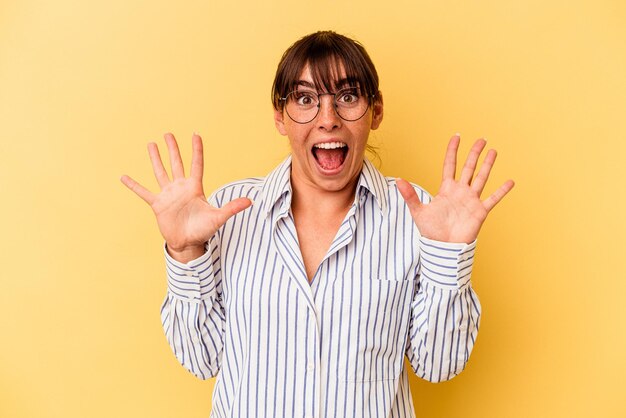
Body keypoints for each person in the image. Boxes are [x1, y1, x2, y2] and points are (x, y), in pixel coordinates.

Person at [121, 30, 514, 418]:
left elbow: (438, 366)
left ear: (376, 110)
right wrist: (185, 252)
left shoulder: (420, 216)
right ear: (280, 116)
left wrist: (449, 257)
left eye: (347, 96)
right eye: (306, 99)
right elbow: (200, 359)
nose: (328, 119)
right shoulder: (225, 213)